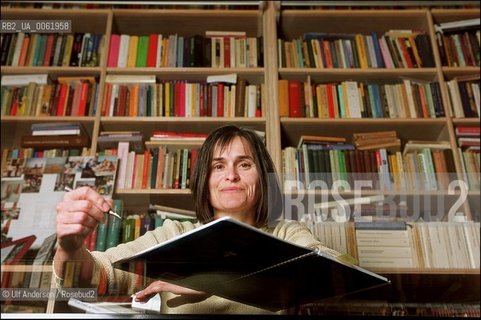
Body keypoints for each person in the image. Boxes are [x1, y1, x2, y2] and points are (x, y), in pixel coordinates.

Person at [54, 125, 350, 314]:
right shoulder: (172, 234)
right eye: (218, 166)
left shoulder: (287, 233)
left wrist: (218, 278)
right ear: (203, 182)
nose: (231, 175)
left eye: (244, 164)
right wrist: (69, 246)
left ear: (263, 178)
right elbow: (95, 278)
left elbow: (337, 276)